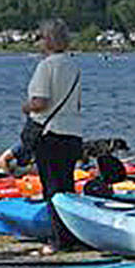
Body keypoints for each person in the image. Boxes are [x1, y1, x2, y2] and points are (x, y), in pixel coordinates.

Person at [22, 17, 83, 250]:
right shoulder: (74, 66)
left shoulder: (46, 66)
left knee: (53, 189)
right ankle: (72, 234)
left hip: (51, 134)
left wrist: (25, 107)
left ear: (47, 40)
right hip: (72, 133)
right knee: (67, 188)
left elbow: (40, 102)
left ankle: (60, 240)